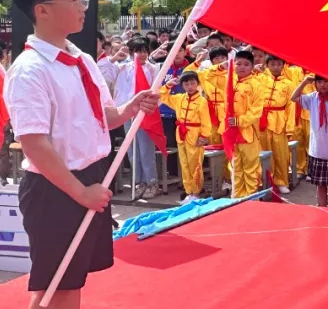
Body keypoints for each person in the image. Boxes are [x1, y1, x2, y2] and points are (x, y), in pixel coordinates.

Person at [4, 0, 157, 309]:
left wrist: (129, 108)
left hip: (89, 181)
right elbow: (35, 145)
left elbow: (101, 116)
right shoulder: (30, 70)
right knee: (49, 287)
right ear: (42, 9)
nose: (83, 7)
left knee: (72, 284)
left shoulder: (82, 59)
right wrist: (80, 192)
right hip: (57, 188)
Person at [101, 37, 161, 199]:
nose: (141, 54)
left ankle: (152, 182)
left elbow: (158, 90)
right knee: (131, 149)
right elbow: (102, 70)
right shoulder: (122, 68)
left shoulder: (153, 68)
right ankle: (138, 181)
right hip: (126, 112)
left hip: (144, 113)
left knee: (145, 149)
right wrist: (113, 58)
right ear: (131, 52)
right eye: (138, 51)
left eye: (144, 51)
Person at [292, 75, 328, 207]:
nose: (322, 85)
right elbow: (294, 97)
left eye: (326, 81)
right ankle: (322, 206)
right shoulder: (313, 98)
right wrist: (304, 82)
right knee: (320, 182)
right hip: (317, 149)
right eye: (319, 82)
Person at [159, 72, 212, 202]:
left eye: (193, 83)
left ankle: (196, 191)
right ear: (182, 86)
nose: (190, 86)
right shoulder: (179, 98)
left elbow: (206, 121)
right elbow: (163, 96)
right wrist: (168, 85)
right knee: (184, 165)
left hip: (195, 135)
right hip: (181, 134)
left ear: (198, 84)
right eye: (186, 84)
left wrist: (203, 136)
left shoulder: (202, 101)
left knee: (195, 165)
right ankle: (188, 191)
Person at [221, 50, 264, 198]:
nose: (242, 67)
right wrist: (221, 66)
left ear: (252, 66)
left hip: (247, 133)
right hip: (230, 132)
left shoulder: (256, 85)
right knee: (235, 167)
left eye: (246, 64)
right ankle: (238, 199)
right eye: (238, 63)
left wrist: (240, 121)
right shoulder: (228, 80)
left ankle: (251, 200)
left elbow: (257, 110)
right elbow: (205, 77)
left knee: (251, 168)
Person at [255, 54, 296, 195]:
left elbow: (291, 106)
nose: (276, 67)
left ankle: (281, 181)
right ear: (267, 65)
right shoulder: (260, 79)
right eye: (272, 64)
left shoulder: (289, 84)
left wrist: (290, 127)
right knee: (264, 152)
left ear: (283, 65)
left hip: (280, 120)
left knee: (281, 154)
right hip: (261, 120)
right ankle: (265, 181)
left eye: (279, 64)